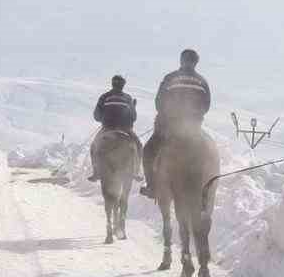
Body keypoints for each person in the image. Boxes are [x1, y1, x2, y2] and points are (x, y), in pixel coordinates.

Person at [140, 48, 212, 199]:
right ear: (196, 63)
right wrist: (194, 117)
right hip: (193, 129)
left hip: (168, 127)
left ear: (181, 60)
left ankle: (152, 187)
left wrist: (167, 115)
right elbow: (206, 106)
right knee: (209, 156)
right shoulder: (203, 81)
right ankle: (205, 192)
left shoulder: (170, 78)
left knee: (147, 152)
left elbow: (158, 102)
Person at [87, 75, 139, 182]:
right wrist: (133, 107)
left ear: (112, 84)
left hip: (107, 129)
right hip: (125, 130)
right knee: (138, 146)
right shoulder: (128, 98)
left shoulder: (104, 97)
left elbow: (96, 116)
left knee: (94, 147)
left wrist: (104, 118)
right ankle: (135, 172)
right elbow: (133, 117)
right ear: (123, 85)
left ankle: (96, 173)